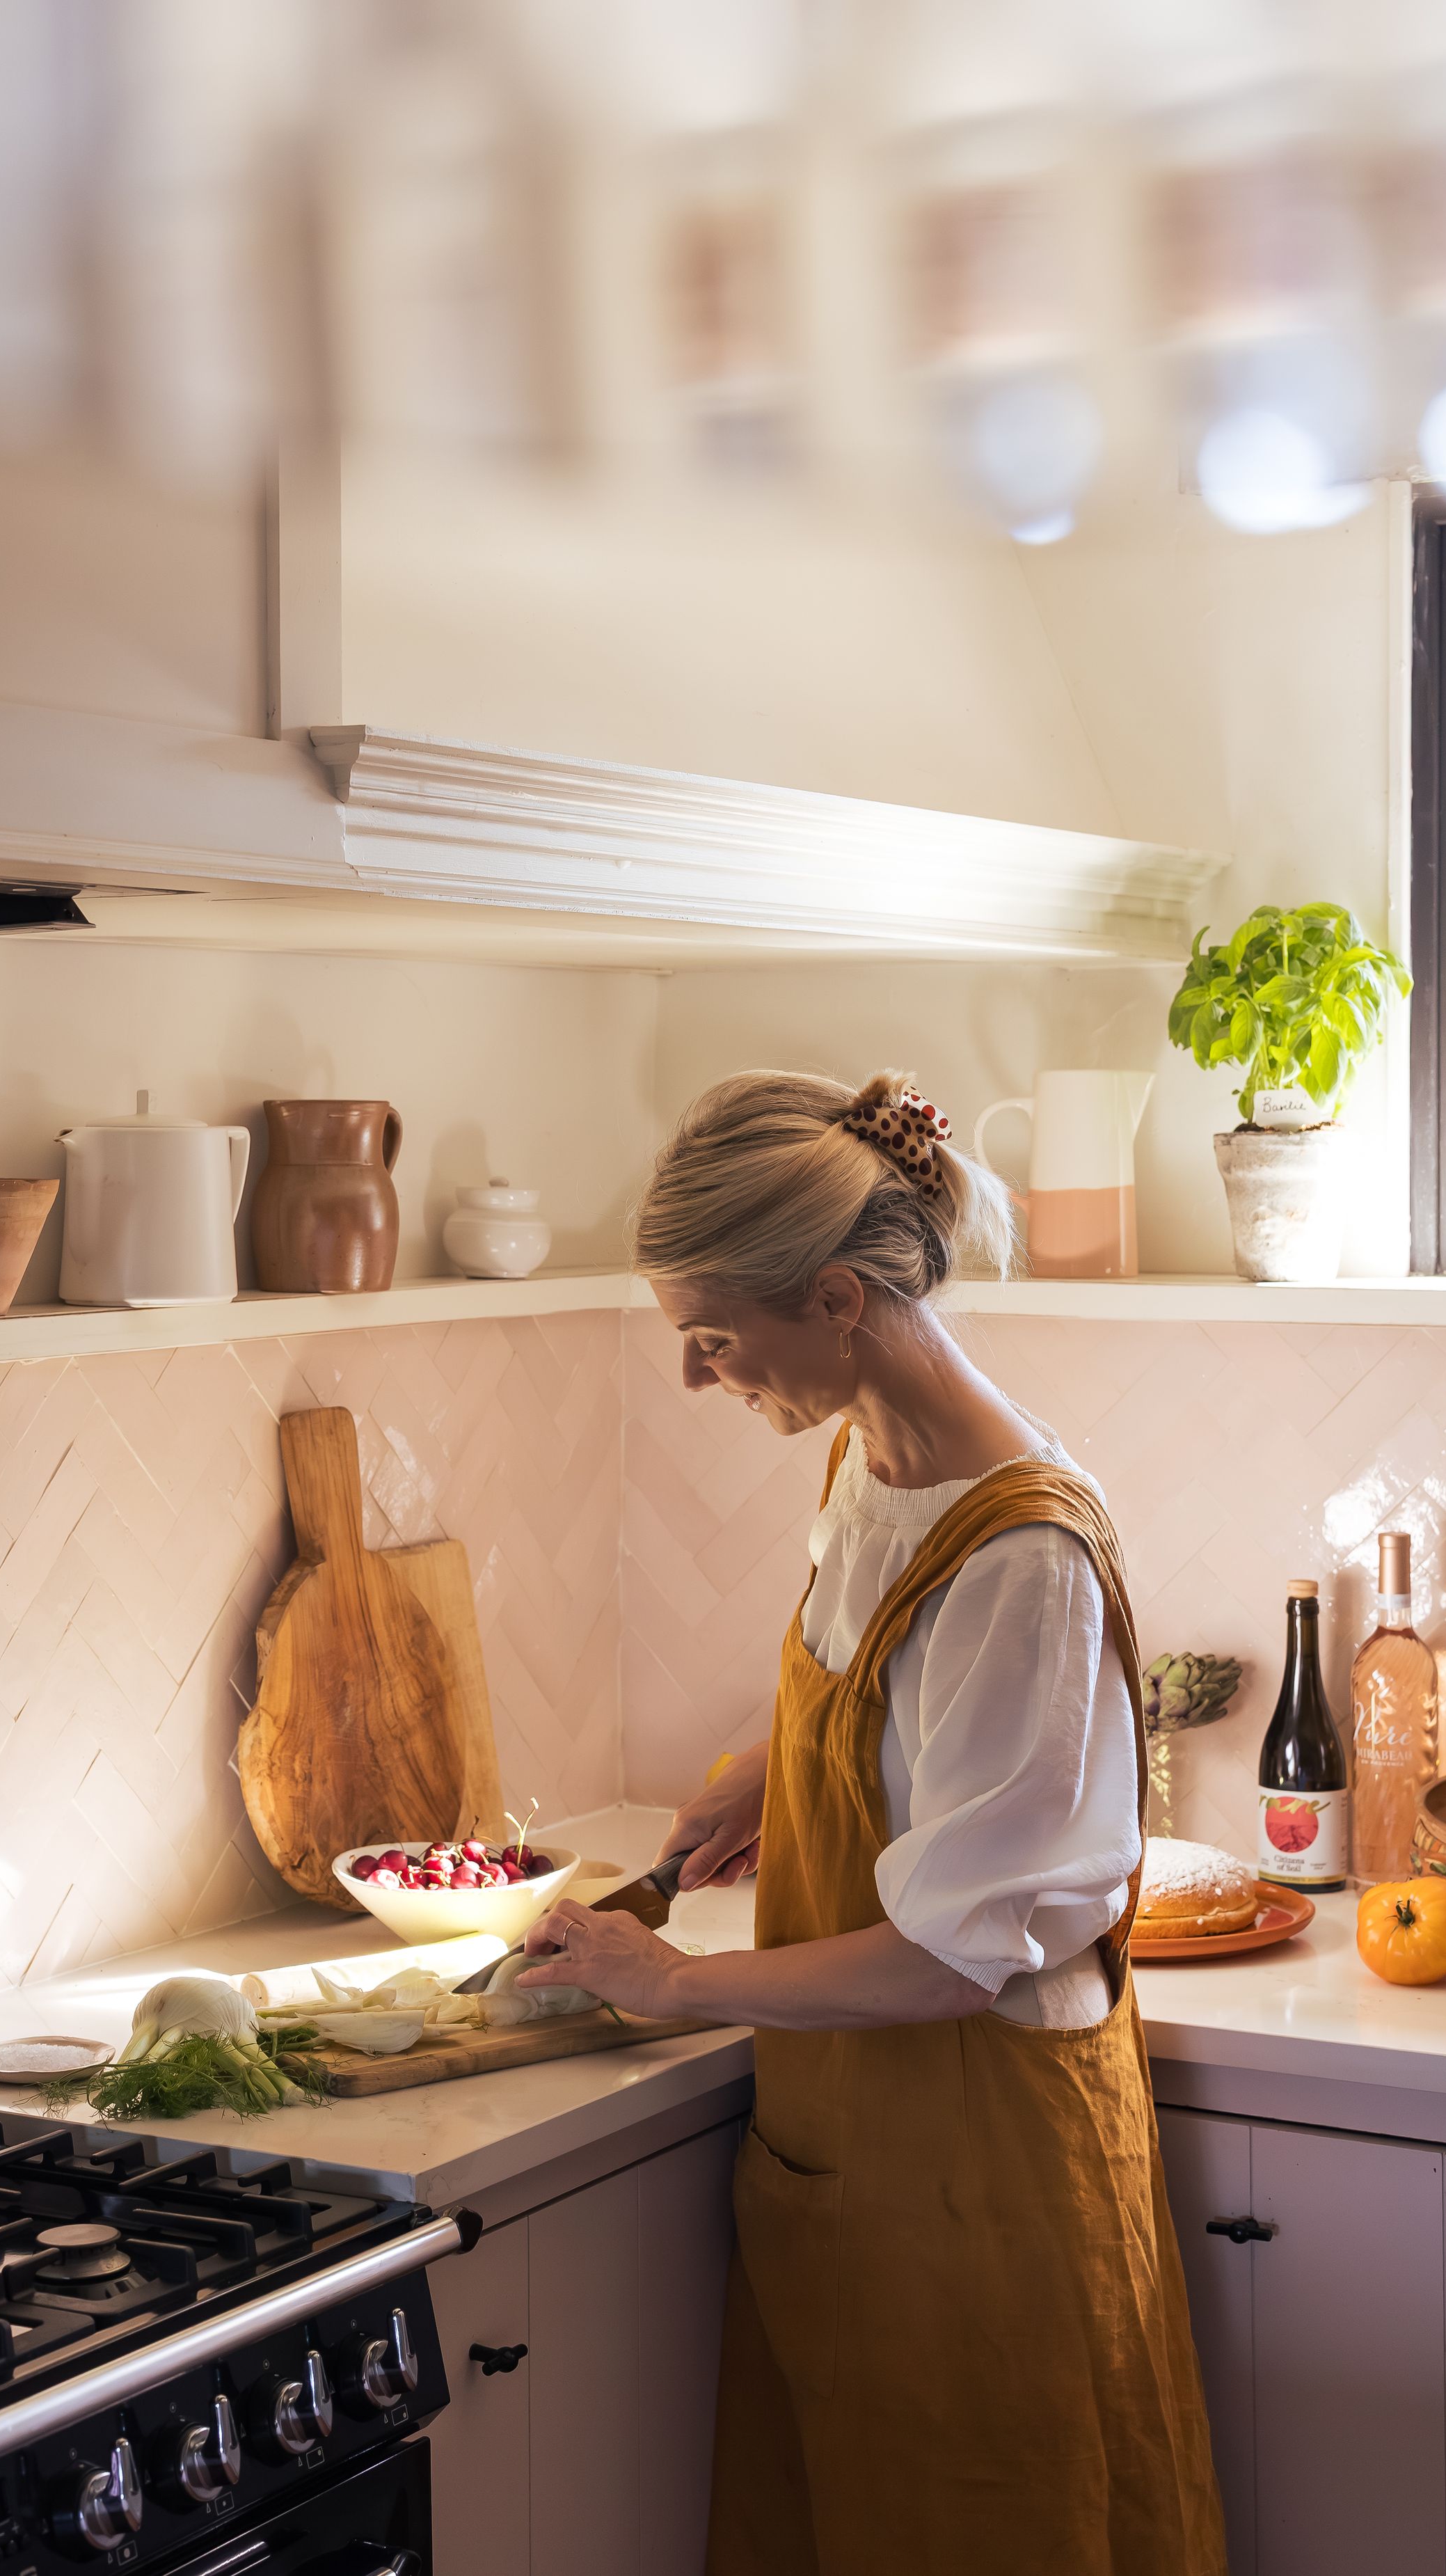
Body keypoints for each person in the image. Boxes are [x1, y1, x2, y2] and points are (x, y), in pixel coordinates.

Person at [521, 1068, 1225, 2575]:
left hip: (986, 2195)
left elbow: (942, 1960)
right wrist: (764, 1770)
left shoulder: (1017, 1554)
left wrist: (671, 1984)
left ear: (836, 1298)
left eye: (711, 1338)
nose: (698, 1380)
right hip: (861, 2172)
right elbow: (869, 1693)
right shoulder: (869, 1461)